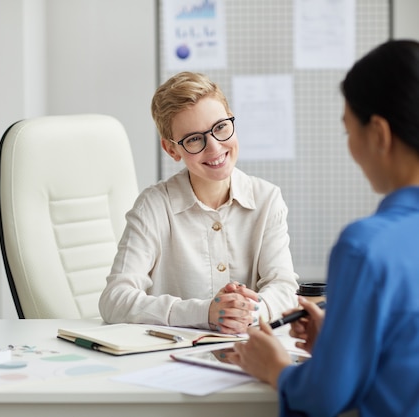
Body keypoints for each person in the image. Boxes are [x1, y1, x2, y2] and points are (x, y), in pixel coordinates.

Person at [228, 39, 419, 416]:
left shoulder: (365, 247)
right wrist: (340, 342)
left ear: (378, 134)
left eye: (349, 131)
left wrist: (275, 368)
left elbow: (325, 397)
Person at [98, 71, 299, 334]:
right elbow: (114, 300)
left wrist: (242, 311)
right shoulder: (154, 206)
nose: (214, 147)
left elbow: (284, 287)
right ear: (172, 150)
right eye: (194, 139)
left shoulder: (267, 199)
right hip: (170, 359)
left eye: (220, 127)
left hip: (247, 351)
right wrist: (205, 312)